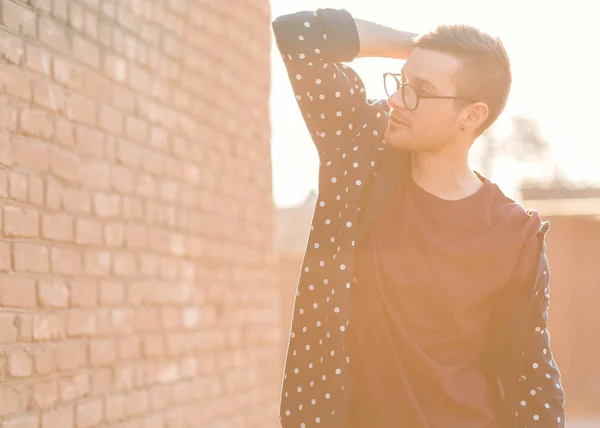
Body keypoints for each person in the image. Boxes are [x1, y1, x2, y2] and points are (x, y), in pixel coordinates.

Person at [272, 8, 565, 428]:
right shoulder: (359, 154)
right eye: (401, 82)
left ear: (472, 115)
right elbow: (298, 34)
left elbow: (531, 375)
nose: (395, 98)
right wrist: (421, 46)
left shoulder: (516, 231)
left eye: (419, 90)